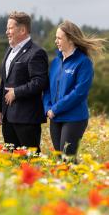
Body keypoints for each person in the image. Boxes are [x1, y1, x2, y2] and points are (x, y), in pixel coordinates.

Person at [43, 20, 106, 159]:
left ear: (70, 39)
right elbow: (47, 88)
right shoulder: (56, 62)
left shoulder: (84, 62)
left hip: (74, 118)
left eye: (59, 38)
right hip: (55, 117)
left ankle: (82, 179)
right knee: (60, 159)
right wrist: (47, 107)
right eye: (56, 37)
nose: (56, 41)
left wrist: (55, 109)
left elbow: (79, 93)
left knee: (68, 158)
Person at [0, 11, 48, 153]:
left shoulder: (36, 52)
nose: (7, 32)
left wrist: (16, 92)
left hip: (27, 119)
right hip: (8, 118)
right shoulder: (9, 51)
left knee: (31, 161)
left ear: (22, 30)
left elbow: (40, 81)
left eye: (10, 28)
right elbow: (3, 82)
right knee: (12, 163)